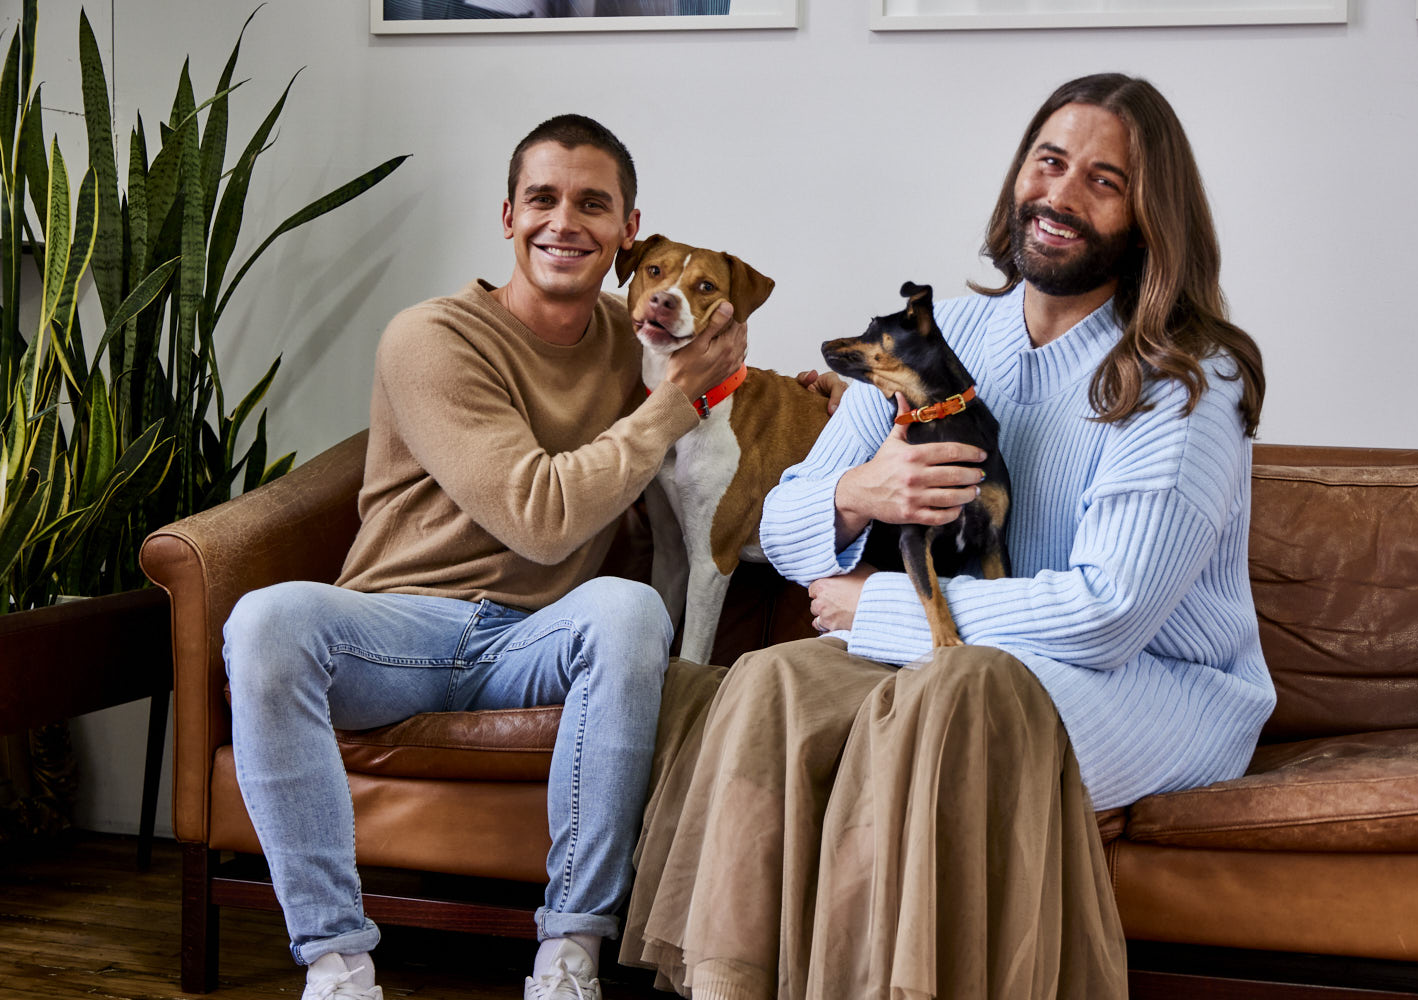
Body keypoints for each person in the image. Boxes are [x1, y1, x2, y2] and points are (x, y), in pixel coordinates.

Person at [619, 72, 1276, 1000]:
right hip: (967, 654)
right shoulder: (943, 334)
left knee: (951, 700)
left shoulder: (1184, 377)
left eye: (1104, 179)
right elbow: (784, 524)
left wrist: (878, 604)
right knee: (772, 682)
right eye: (1049, 163)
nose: (1061, 195)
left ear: (1151, 214)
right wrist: (859, 492)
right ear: (1019, 177)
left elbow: (1108, 618)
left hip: (1159, 687)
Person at [222, 114, 835, 1000]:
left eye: (593, 204)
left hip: (538, 640)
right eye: (543, 199)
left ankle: (570, 955)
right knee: (266, 619)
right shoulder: (431, 337)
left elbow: (735, 397)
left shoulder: (646, 336)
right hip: (396, 630)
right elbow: (539, 520)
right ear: (508, 215)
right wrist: (674, 400)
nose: (564, 222)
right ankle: (336, 961)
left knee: (631, 611)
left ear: (628, 232)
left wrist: (833, 405)